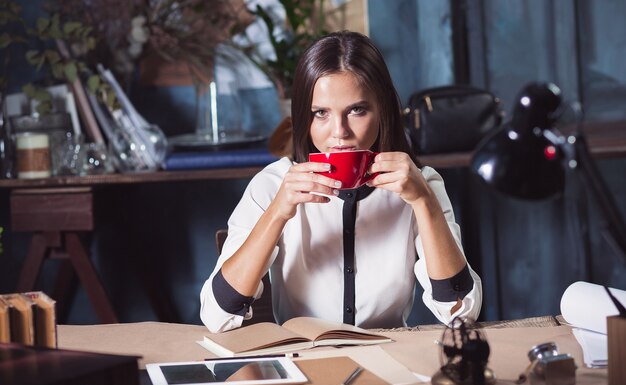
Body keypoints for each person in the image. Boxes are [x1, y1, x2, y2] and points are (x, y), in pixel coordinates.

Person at [200, 31, 482, 333]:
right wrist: (278, 212)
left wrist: (424, 203)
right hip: (304, 359)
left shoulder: (420, 185)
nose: (339, 132)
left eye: (356, 110)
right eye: (321, 113)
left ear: (383, 111)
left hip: (387, 359)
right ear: (303, 118)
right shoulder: (272, 185)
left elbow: (460, 312)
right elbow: (217, 315)